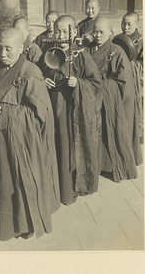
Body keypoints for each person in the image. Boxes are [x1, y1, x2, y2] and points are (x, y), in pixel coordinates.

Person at [0, 28, 60, 241]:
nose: (2, 53)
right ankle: (2, 225)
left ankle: (24, 224)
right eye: (0, 47)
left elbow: (41, 114)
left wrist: (8, 113)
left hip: (23, 143)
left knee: (20, 182)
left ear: (21, 48)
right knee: (0, 181)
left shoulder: (31, 73)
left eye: (8, 49)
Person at [41, 15, 102, 206]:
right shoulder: (50, 53)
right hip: (53, 109)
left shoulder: (82, 56)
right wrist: (43, 80)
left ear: (74, 32)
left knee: (67, 148)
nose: (59, 35)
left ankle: (69, 190)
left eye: (64, 31)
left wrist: (79, 84)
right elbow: (38, 72)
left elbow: (96, 84)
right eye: (57, 31)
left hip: (73, 113)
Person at [85, 17, 142, 182]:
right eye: (95, 31)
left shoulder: (117, 52)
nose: (98, 35)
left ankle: (109, 165)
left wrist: (103, 85)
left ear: (110, 33)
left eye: (102, 32)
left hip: (111, 101)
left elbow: (124, 82)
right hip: (91, 100)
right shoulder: (87, 50)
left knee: (110, 132)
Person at [121, 11, 143, 143]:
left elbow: (144, 62)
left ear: (137, 25)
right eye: (123, 24)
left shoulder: (140, 41)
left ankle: (138, 133)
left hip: (135, 79)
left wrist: (131, 64)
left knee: (137, 105)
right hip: (123, 77)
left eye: (129, 24)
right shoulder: (119, 39)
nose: (126, 27)